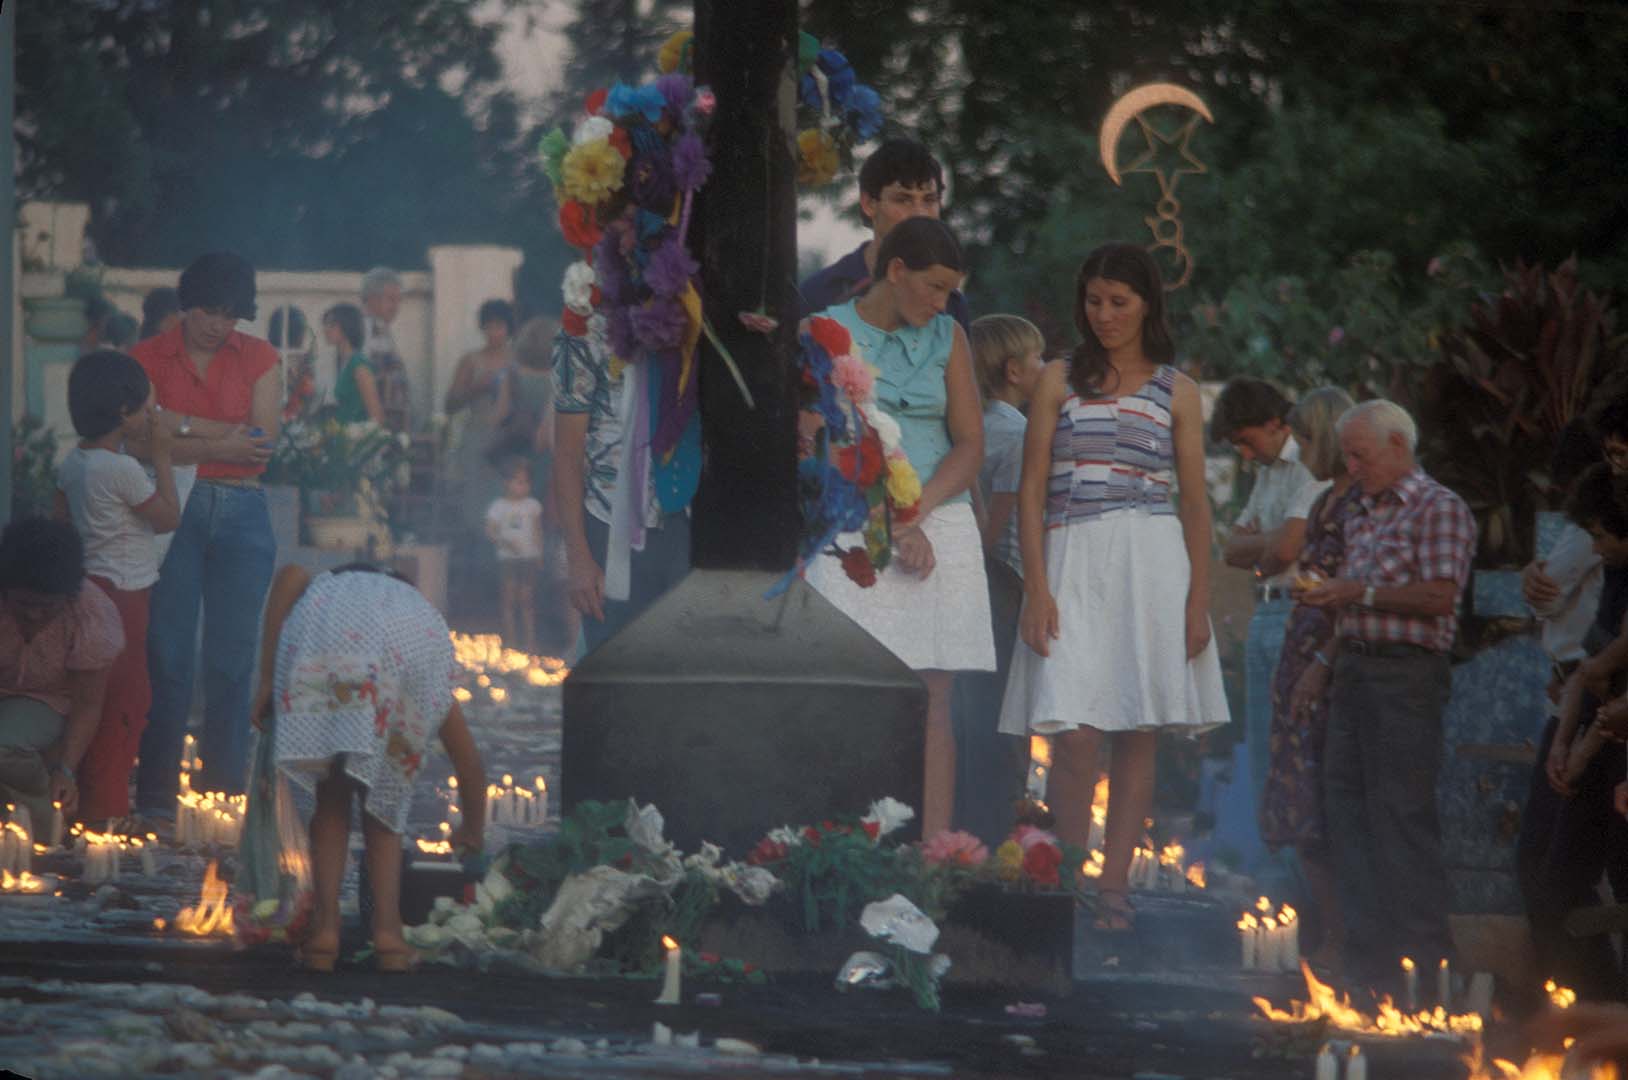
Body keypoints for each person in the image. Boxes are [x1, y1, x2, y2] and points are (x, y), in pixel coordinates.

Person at [998, 243, 1228, 931]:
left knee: (1137, 728)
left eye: (1119, 302)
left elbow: (1196, 503)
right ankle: (1067, 882)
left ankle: (1115, 891)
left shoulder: (1177, 390)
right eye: (1094, 301)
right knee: (1073, 734)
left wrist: (1198, 601)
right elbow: (1031, 489)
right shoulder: (1058, 378)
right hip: (1070, 555)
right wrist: (1037, 588)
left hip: (1151, 561)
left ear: (1147, 304)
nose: (1105, 314)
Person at [804, 217, 993, 839]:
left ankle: (932, 853)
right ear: (896, 271)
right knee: (849, 687)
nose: (942, 303)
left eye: (950, 292)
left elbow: (970, 443)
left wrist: (917, 514)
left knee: (935, 694)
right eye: (934, 288)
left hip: (940, 514)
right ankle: (841, 844)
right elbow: (814, 438)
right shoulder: (826, 330)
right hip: (855, 518)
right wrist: (887, 517)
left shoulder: (949, 337)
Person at [1297, 399, 1475, 973]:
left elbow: (1440, 596)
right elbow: (1353, 602)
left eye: (1360, 455)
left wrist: (1359, 593)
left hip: (1406, 674)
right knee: (1345, 813)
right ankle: (1367, 962)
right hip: (1354, 667)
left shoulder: (1438, 508)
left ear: (1398, 445)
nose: (1351, 467)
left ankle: (1425, 962)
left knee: (1400, 815)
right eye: (1347, 456)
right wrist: (1325, 657)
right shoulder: (1362, 511)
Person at [250, 563, 486, 972]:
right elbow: (469, 764)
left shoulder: (327, 589)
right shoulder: (414, 621)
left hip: (328, 649)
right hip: (410, 653)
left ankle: (325, 933)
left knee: (331, 798)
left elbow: (289, 574)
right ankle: (389, 936)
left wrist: (267, 678)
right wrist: (473, 830)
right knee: (384, 809)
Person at [130, 251, 282, 825]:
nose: (219, 325)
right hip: (174, 504)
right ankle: (155, 797)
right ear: (186, 304)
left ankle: (222, 798)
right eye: (209, 312)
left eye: (230, 315)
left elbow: (260, 446)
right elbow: (138, 440)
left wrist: (175, 426)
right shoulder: (148, 357)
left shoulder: (259, 356)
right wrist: (219, 438)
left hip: (242, 507)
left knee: (231, 660)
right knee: (167, 654)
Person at [54, 351, 182, 824]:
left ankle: (80, 808)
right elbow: (168, 517)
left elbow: (61, 523)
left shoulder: (73, 463)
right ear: (124, 412)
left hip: (86, 589)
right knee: (125, 702)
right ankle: (105, 815)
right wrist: (163, 455)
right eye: (146, 408)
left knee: (88, 699)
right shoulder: (121, 470)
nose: (151, 416)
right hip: (125, 597)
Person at [1519, 448, 1628, 1001]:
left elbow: (1606, 676)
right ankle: (1586, 1003)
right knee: (1550, 866)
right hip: (1583, 712)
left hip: (1606, 728)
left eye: (1601, 536)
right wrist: (1568, 740)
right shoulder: (1615, 572)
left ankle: (1601, 1007)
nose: (1596, 546)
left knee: (1584, 871)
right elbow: (1590, 667)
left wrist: (1578, 750)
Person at [1254, 386, 1358, 966]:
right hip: (1301, 642)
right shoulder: (1322, 502)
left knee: (1325, 804)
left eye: (1305, 438)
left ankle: (1343, 936)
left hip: (1329, 654)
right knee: (1299, 801)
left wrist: (1322, 662)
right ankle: (1323, 929)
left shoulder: (1354, 505)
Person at [948, 314, 1047, 846]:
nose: (1045, 367)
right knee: (1006, 715)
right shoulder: (1019, 435)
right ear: (1013, 371)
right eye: (1037, 358)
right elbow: (1002, 522)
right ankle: (999, 836)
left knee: (966, 713)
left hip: (961, 584)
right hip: (1002, 584)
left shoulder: (965, 426)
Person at [1214, 377, 1328, 825]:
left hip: (1295, 609)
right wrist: (1272, 544)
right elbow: (1232, 550)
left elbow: (1286, 549)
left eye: (1247, 441)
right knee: (1262, 747)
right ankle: (1271, 852)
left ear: (1275, 423)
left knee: (1290, 745)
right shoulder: (1265, 473)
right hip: (1263, 608)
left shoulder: (1308, 464)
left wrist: (1268, 547)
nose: (1245, 454)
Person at [553, 310, 690, 655]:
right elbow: (567, 452)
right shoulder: (584, 330)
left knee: (685, 664)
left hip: (687, 520)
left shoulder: (694, 319)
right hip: (608, 521)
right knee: (616, 664)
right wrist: (578, 557)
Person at [0, 518, 123, 826]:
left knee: (4, 745)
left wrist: (65, 769)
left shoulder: (91, 615)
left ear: (68, 596)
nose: (34, 614)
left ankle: (44, 821)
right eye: (24, 603)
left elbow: (87, 705)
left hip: (47, 701)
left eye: (47, 606)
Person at [800, 138, 970, 330]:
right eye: (903, 200)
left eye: (929, 200)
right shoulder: (819, 294)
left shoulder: (952, 304)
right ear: (868, 204)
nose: (919, 214)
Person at [486, 460, 545, 657]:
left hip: (528, 558)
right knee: (508, 599)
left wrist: (539, 554)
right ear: (507, 483)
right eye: (518, 482)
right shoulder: (498, 507)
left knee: (527, 599)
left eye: (526, 482)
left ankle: (530, 641)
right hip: (508, 559)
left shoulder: (533, 506)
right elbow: (490, 531)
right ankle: (511, 639)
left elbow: (538, 531)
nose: (523, 486)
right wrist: (504, 542)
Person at [361, 267, 411, 432]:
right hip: (373, 428)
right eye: (391, 299)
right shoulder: (365, 330)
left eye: (398, 300)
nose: (396, 306)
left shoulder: (381, 329)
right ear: (371, 299)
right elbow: (363, 378)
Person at [321, 303, 384, 425]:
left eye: (332, 325)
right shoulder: (343, 362)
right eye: (325, 325)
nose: (326, 329)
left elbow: (376, 415)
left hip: (357, 434)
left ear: (347, 326)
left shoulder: (359, 365)